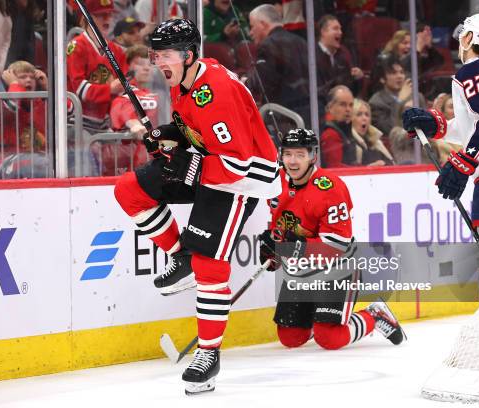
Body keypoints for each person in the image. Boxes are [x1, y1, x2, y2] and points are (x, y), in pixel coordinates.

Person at [113, 19, 281, 395]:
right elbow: (193, 130)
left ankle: (208, 354)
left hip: (243, 179)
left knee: (210, 262)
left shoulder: (215, 91)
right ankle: (180, 256)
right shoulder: (184, 81)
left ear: (189, 55)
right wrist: (166, 135)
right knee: (129, 189)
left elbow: (239, 162)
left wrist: (188, 164)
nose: (159, 62)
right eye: (156, 54)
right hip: (211, 167)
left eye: (166, 54)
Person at [258, 128, 405, 350]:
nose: (293, 161)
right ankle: (317, 319)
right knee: (290, 338)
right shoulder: (276, 183)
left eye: (300, 154)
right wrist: (273, 248)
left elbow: (336, 247)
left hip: (337, 269)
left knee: (329, 338)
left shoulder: (330, 188)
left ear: (313, 156)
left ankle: (374, 315)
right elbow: (280, 227)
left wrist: (290, 248)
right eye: (288, 154)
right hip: (300, 272)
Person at [403, 13, 479, 245]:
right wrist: (439, 126)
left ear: (469, 38)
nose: (460, 41)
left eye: (462, 36)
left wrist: (465, 161)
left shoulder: (474, 70)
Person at [66, 0, 126, 132]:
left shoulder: (117, 50)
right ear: (87, 17)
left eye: (109, 14)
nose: (107, 19)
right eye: (100, 15)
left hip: (104, 123)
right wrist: (109, 89)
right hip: (78, 123)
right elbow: (79, 89)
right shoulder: (76, 46)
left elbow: (124, 87)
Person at [246, 4, 310, 125]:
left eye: (252, 26)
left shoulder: (267, 45)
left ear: (263, 24)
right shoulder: (301, 42)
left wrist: (245, 81)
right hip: (308, 115)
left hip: (282, 120)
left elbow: (261, 83)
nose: (250, 33)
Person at [106, 44, 157, 174]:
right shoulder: (126, 95)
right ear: (128, 68)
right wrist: (135, 125)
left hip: (158, 161)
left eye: (150, 64)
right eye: (140, 64)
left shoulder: (162, 94)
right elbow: (122, 109)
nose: (146, 68)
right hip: (135, 164)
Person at [369, 57, 424, 138]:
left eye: (402, 72)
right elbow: (391, 130)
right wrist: (399, 101)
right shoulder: (376, 102)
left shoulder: (417, 96)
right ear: (382, 79)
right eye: (393, 73)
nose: (399, 76)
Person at [315, 14, 363, 103]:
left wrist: (357, 79)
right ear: (323, 32)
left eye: (340, 29)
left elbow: (351, 89)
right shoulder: (311, 54)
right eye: (335, 28)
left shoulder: (344, 53)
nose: (340, 32)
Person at [320, 85, 364, 167]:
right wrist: (366, 169)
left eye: (351, 105)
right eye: (343, 105)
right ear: (330, 107)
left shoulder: (344, 129)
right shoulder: (330, 134)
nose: (348, 109)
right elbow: (335, 168)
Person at [351, 98, 394, 166]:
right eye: (359, 114)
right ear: (351, 118)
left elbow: (392, 164)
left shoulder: (376, 142)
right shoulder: (350, 143)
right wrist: (370, 168)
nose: (364, 118)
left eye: (367, 115)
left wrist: (384, 164)